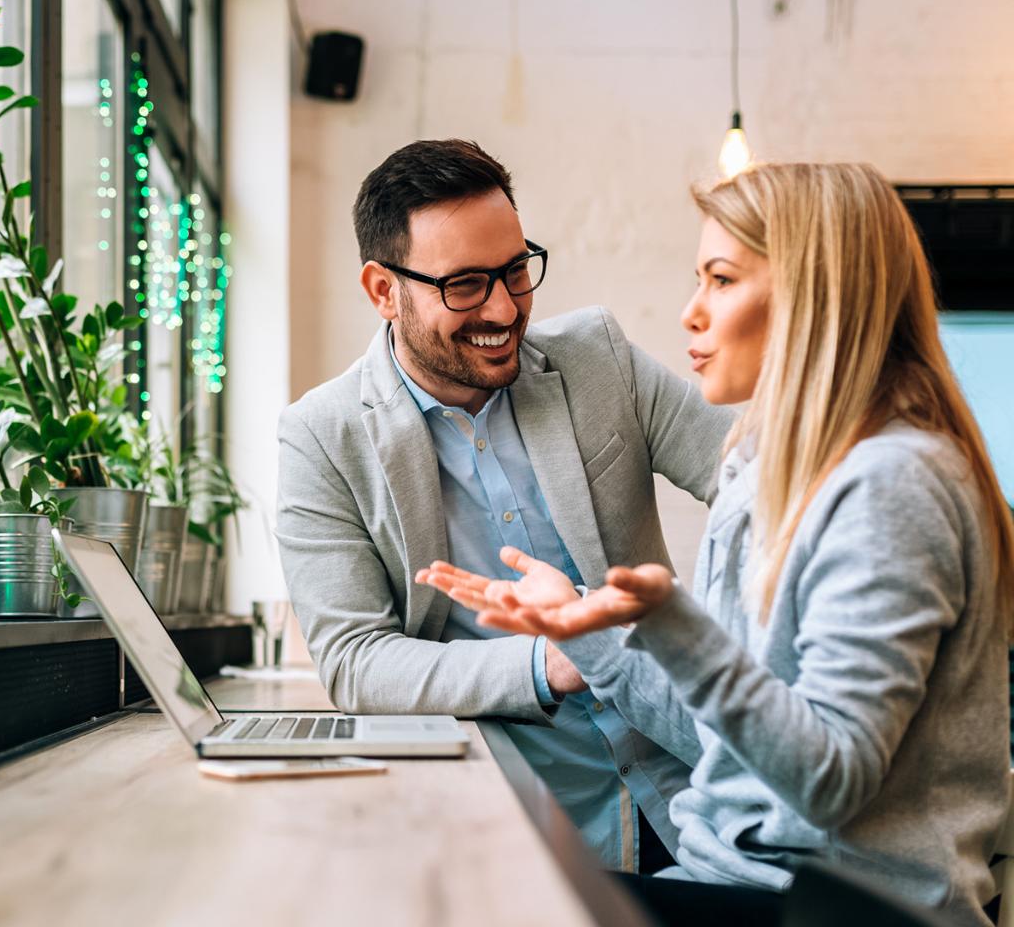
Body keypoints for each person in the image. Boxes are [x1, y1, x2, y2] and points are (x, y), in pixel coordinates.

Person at [421, 161, 1014, 927]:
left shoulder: (889, 485)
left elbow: (830, 779)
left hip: (847, 910)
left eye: (722, 280)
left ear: (814, 297)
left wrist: (678, 627)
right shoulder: (762, 465)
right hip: (739, 883)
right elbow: (721, 740)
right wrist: (586, 625)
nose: (690, 314)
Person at [276, 139, 733, 871]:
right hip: (508, 822)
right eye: (463, 285)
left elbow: (760, 482)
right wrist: (550, 661)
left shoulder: (596, 358)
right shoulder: (322, 437)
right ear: (383, 290)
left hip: (688, 796)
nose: (503, 307)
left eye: (516, 270)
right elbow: (357, 662)